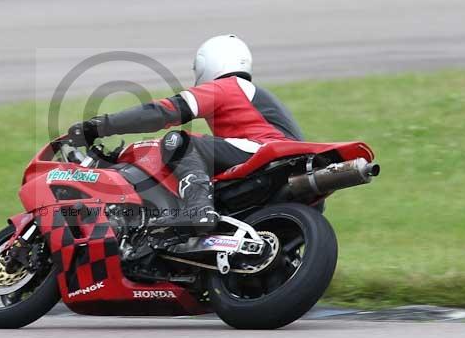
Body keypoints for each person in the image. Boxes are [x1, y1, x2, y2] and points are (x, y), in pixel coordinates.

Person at [67, 35, 305, 233]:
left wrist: (99, 126)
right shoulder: (257, 95)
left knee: (178, 141)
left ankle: (198, 209)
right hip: (289, 172)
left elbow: (163, 112)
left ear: (206, 64)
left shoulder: (225, 86)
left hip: (265, 153)